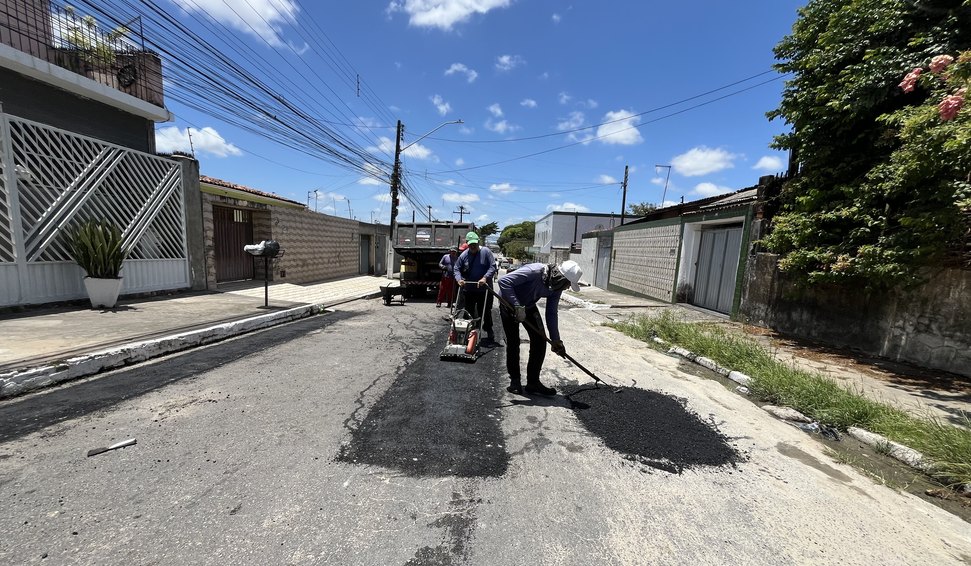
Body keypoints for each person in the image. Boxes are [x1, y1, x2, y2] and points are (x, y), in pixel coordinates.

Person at [497, 260, 583, 396]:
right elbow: (504, 282)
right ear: (561, 279)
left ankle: (533, 382)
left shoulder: (556, 288)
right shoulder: (533, 272)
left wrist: (555, 340)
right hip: (509, 304)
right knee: (513, 342)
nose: (567, 288)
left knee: (540, 340)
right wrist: (517, 305)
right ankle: (515, 381)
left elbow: (551, 313)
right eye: (568, 284)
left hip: (529, 306)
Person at [453, 231, 497, 347]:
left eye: (475, 244)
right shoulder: (464, 255)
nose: (473, 246)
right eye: (470, 245)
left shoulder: (486, 252)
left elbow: (493, 266)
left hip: (484, 289)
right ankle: (468, 332)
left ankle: (489, 330)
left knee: (485, 311)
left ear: (478, 242)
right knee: (468, 311)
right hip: (469, 289)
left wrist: (485, 277)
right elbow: (456, 268)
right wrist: (459, 279)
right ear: (467, 244)